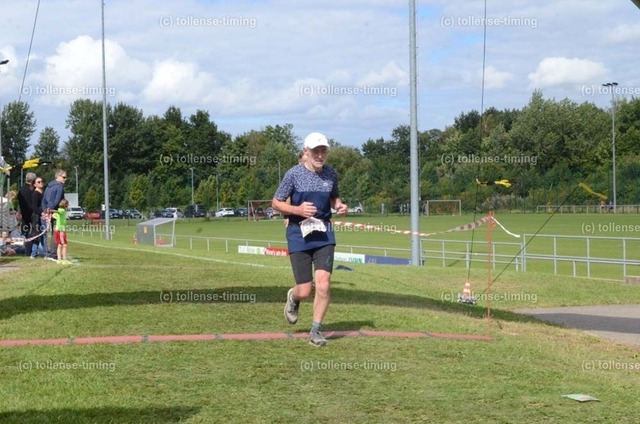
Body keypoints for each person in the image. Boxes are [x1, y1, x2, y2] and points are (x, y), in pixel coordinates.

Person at [272, 132, 348, 347]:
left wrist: (339, 205)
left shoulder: (331, 174)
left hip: (324, 234)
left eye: (324, 151)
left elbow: (334, 196)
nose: (320, 155)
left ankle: (316, 331)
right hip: (299, 235)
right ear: (306, 151)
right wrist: (297, 210)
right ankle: (294, 297)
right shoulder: (293, 174)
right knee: (305, 289)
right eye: (316, 151)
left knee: (323, 284)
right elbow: (276, 203)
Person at [42, 169, 67, 259]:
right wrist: (52, 210)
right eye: (64, 177)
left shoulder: (48, 187)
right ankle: (54, 254)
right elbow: (57, 200)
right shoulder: (59, 187)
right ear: (58, 177)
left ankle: (47, 253)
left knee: (46, 232)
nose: (65, 179)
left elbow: (44, 200)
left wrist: (45, 210)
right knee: (57, 232)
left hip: (48, 211)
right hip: (56, 212)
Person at [17, 172, 36, 256]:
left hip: (24, 215)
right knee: (33, 233)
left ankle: (26, 251)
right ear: (32, 180)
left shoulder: (21, 190)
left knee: (25, 233)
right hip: (32, 214)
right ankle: (31, 250)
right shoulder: (33, 190)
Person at [30, 176, 47, 258]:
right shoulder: (35, 194)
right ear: (35, 184)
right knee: (37, 234)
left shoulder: (43, 192)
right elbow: (34, 207)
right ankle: (35, 253)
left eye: (41, 181)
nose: (41, 183)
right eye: (38, 182)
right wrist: (42, 212)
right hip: (37, 217)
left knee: (42, 234)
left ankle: (43, 252)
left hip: (43, 216)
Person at [52, 199, 70, 264]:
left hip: (58, 229)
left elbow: (54, 215)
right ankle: (64, 259)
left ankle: (59, 259)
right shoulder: (62, 210)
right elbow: (58, 212)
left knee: (59, 245)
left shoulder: (61, 210)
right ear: (66, 205)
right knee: (64, 245)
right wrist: (51, 210)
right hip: (61, 230)